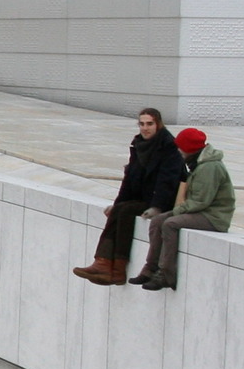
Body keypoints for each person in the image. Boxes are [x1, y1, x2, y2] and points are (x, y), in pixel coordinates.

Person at [74, 108, 182, 287]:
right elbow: (129, 179)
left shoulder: (168, 147)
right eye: (142, 124)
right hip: (143, 197)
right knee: (119, 209)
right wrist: (116, 204)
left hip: (161, 201)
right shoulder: (138, 145)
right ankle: (104, 263)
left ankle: (117, 269)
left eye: (150, 124)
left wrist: (157, 206)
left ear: (158, 124)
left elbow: (168, 181)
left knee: (126, 212)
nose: (145, 128)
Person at [137, 127, 233, 291]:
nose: (178, 150)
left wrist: (177, 211)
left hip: (214, 216)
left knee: (170, 223)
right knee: (158, 220)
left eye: (181, 147)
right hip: (201, 211)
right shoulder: (198, 163)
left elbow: (201, 202)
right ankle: (150, 268)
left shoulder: (209, 167)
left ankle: (166, 274)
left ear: (189, 148)